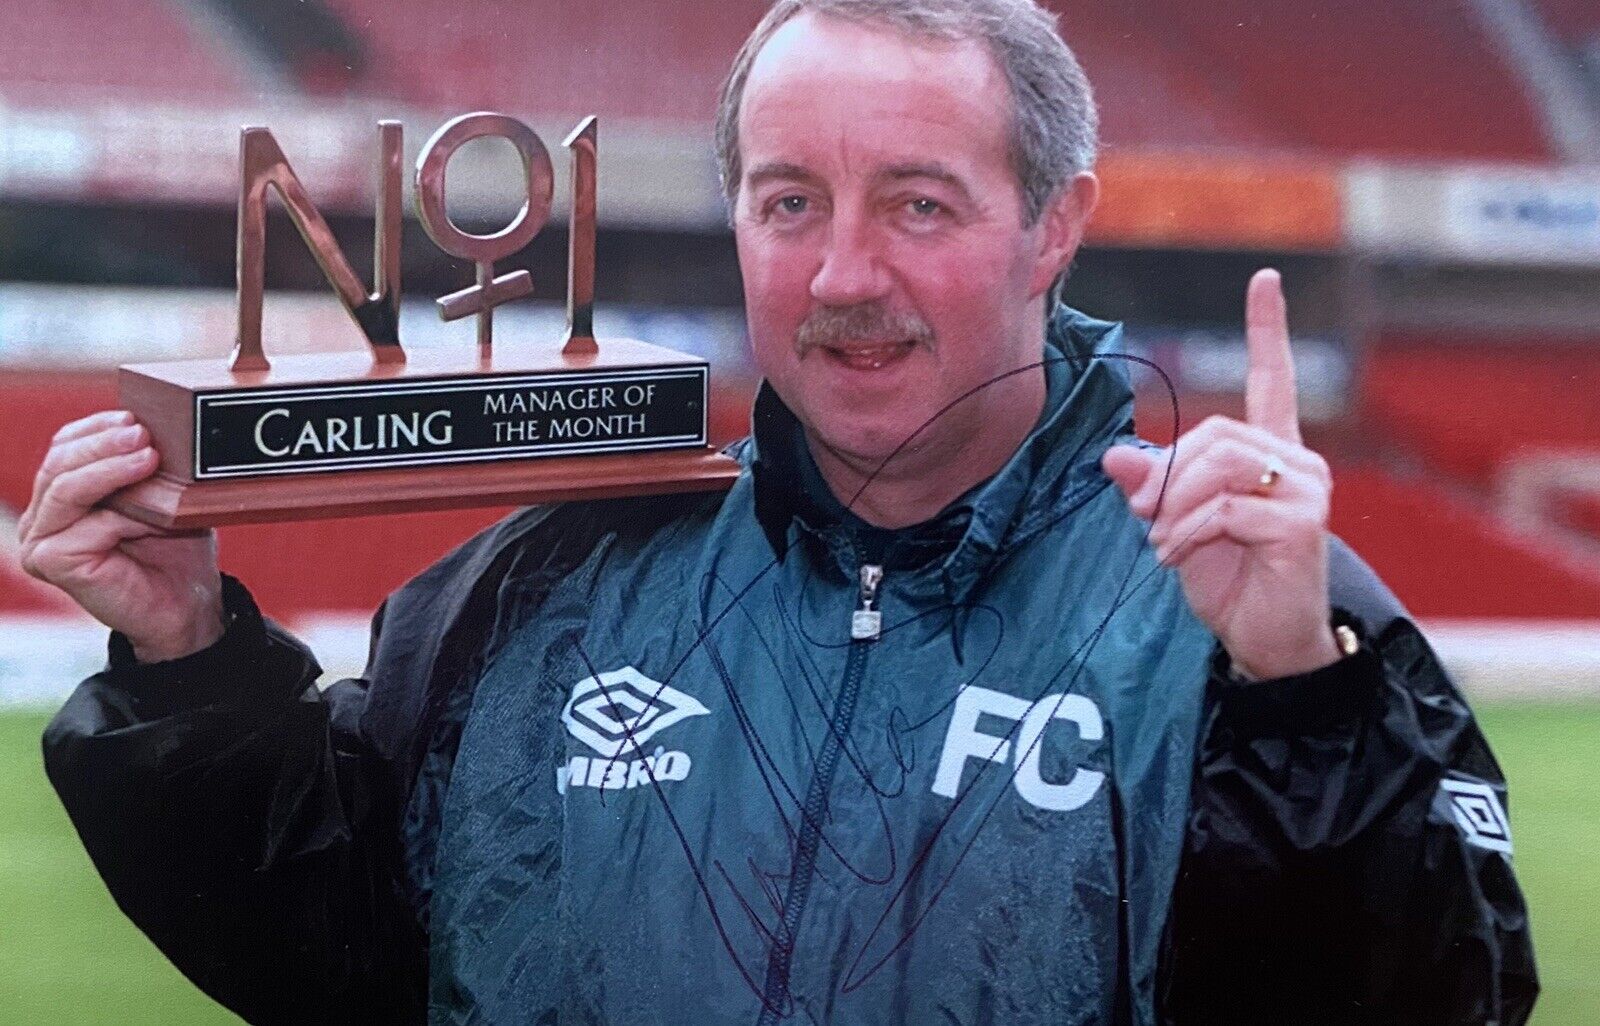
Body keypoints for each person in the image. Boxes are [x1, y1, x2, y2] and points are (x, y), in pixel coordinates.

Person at [20, 0, 1536, 1023]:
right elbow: (328, 943)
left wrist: (1309, 709)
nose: (844, 275)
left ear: (1053, 226)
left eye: (919, 203)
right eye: (790, 200)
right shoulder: (551, 576)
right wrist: (187, 661)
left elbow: (1437, 991)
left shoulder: (1256, 610)